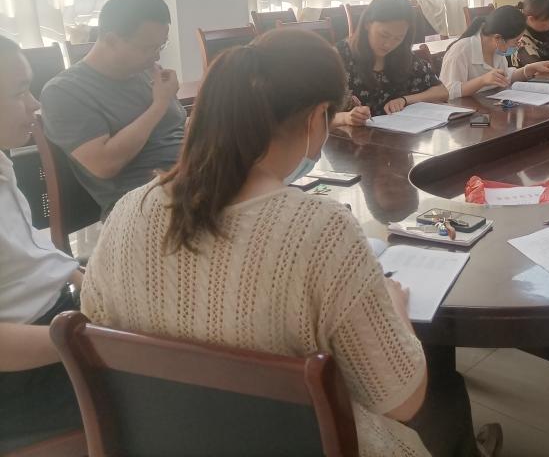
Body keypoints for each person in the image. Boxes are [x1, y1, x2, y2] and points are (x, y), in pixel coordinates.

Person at [79, 29, 499, 457]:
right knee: (440, 385)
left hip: (167, 441)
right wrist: (396, 310)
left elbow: (96, 324)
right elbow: (401, 401)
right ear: (318, 118)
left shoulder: (129, 211)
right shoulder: (321, 230)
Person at [0, 37, 83, 451]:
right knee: (162, 387)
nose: (34, 105)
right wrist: (88, 338)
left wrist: (79, 275)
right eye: (20, 93)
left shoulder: (2, 160)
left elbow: (27, 247)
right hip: (20, 376)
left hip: (53, 321)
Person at [40, 0, 185, 217]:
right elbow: (105, 164)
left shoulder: (146, 72)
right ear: (111, 40)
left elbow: (175, 130)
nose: (156, 56)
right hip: (141, 206)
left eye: (161, 46)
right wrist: (159, 105)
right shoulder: (63, 92)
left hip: (192, 179)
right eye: (147, 48)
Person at [333, 0, 449, 127]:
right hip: (350, 137)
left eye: (398, 38)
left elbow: (442, 92)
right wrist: (345, 118)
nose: (389, 44)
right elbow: (314, 116)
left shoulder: (402, 55)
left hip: (397, 134)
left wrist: (404, 100)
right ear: (367, 24)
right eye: (384, 35)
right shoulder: (337, 57)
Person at [440, 5, 549, 99]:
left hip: (489, 105)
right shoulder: (460, 51)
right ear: (498, 38)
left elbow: (505, 77)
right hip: (466, 113)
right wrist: (482, 80)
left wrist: (530, 69)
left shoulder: (497, 49)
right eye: (516, 41)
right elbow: (447, 92)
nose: (518, 45)